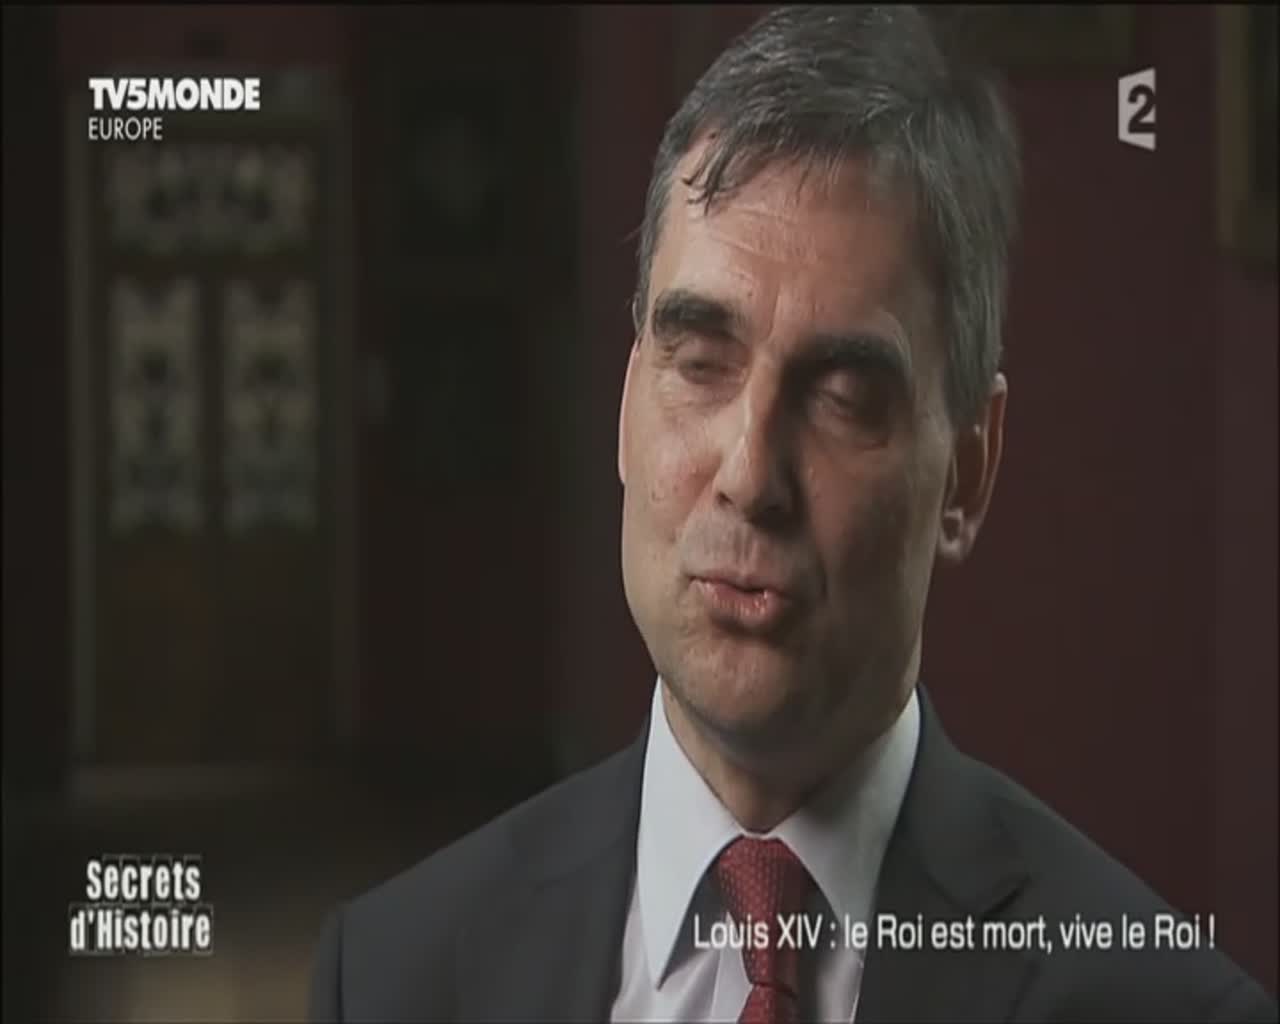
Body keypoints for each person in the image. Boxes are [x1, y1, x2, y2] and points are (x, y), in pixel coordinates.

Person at [309, 6, 1277, 1021]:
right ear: (627, 406)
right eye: (699, 362)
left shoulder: (1163, 1007)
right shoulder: (388, 977)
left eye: (843, 397)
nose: (748, 474)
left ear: (966, 472)